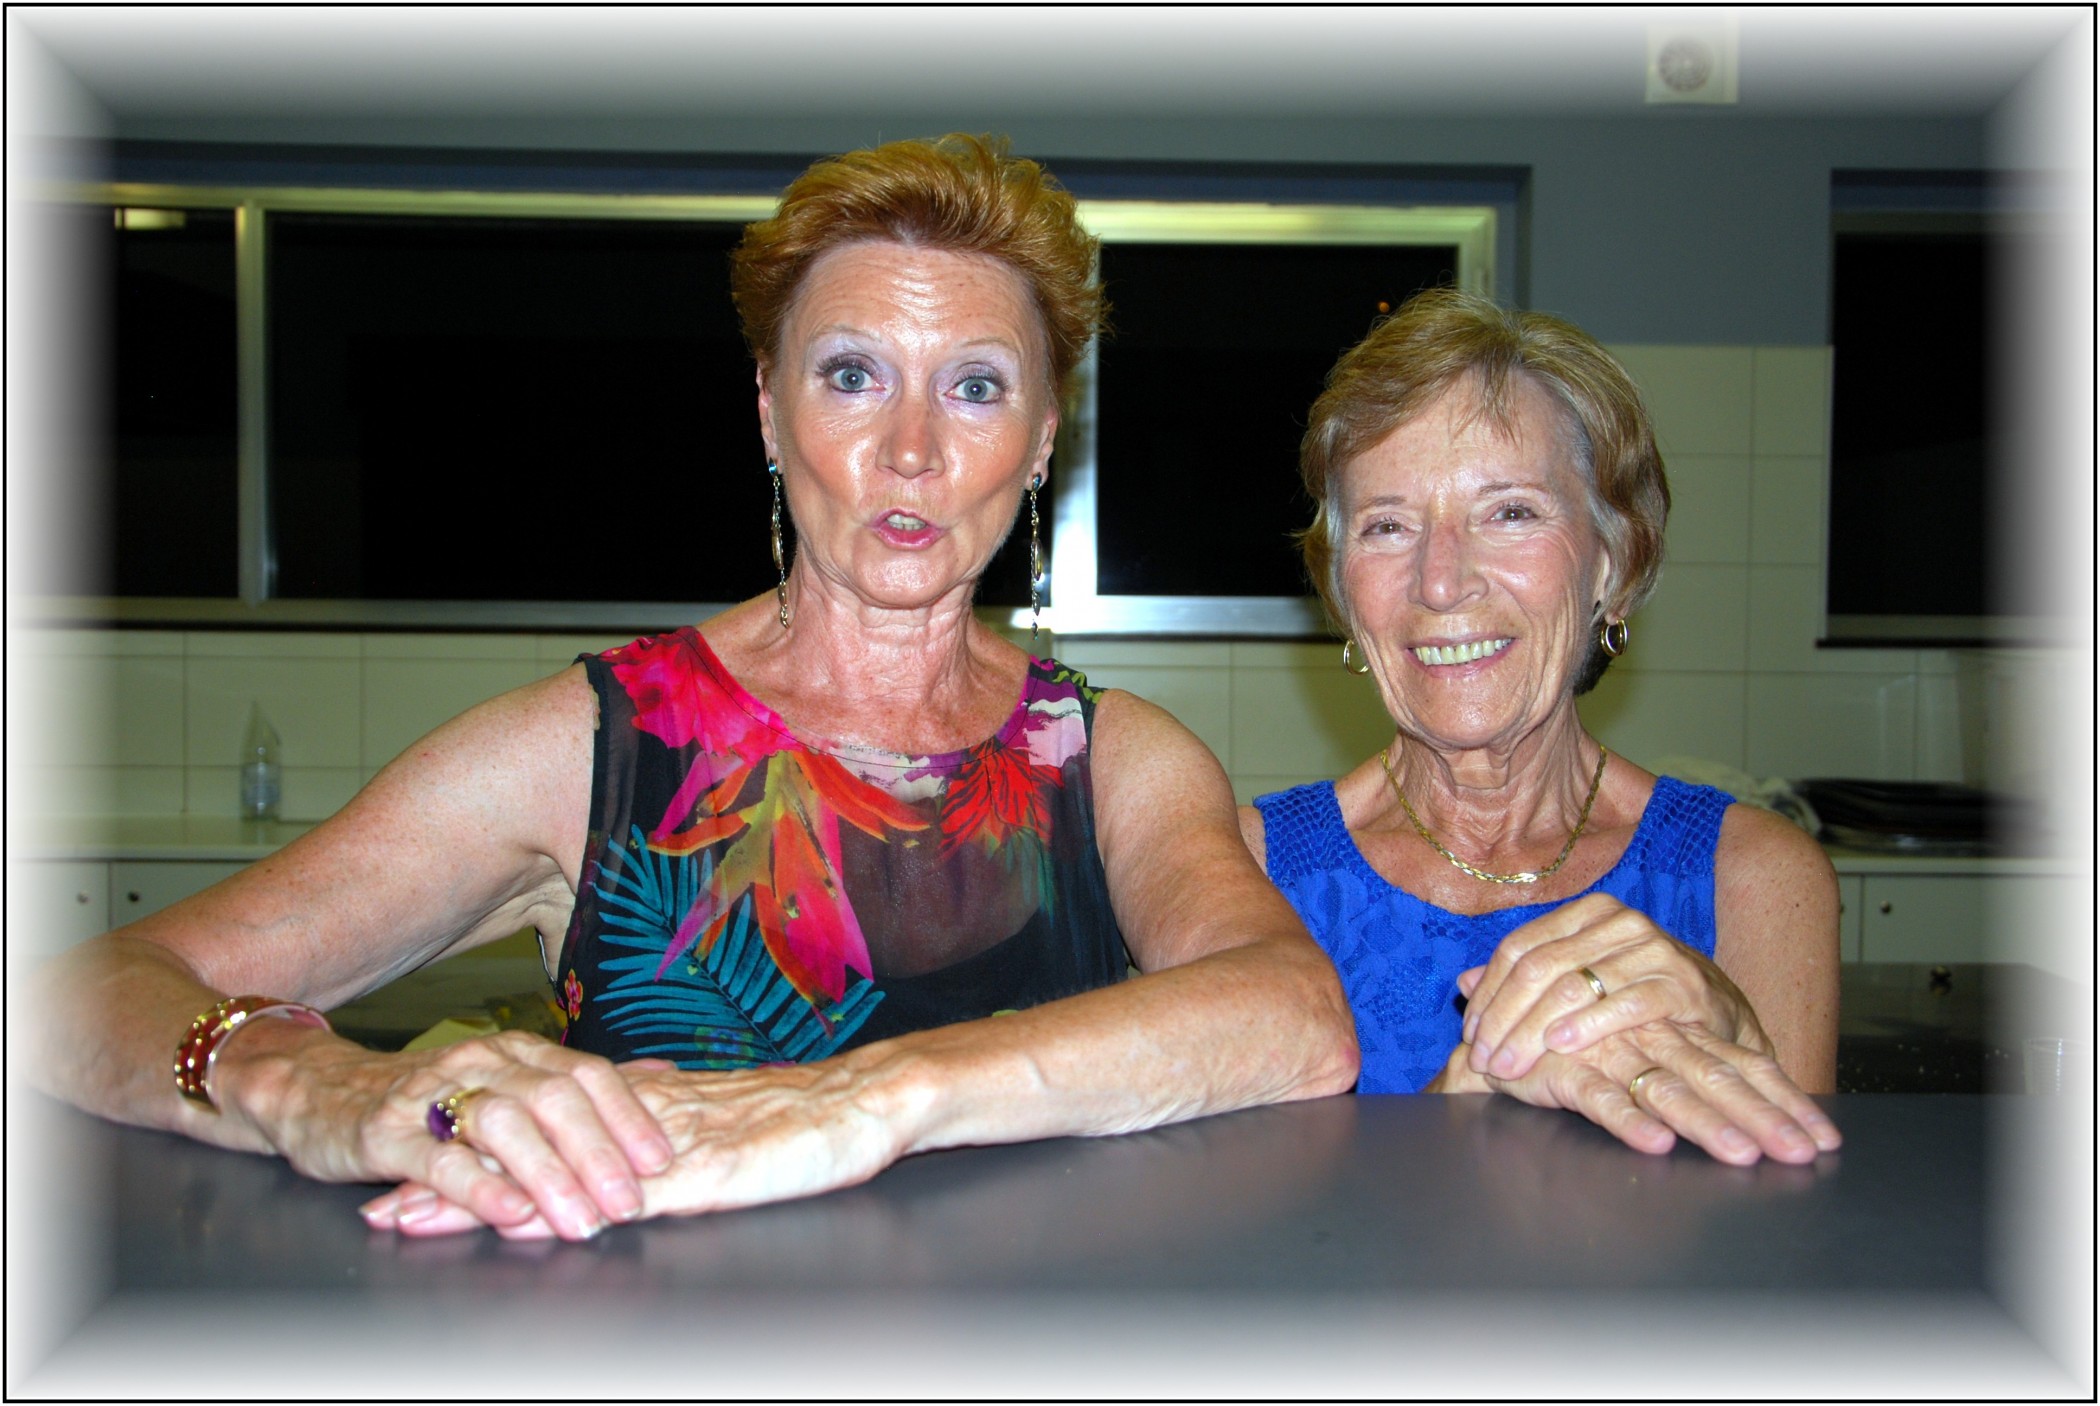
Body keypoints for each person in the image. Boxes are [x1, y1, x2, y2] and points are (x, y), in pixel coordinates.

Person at [29, 134, 1363, 1242]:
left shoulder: (1113, 757)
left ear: (1041, 440)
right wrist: (308, 1081)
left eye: (975, 387)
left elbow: (1295, 1016)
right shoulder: (588, 749)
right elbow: (79, 990)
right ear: (770, 412)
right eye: (853, 375)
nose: (911, 448)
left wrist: (857, 1101)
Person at [1242, 288, 1843, 1165]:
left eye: (1510, 512)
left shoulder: (1756, 880)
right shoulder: (1245, 873)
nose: (1440, 581)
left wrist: (1743, 1037)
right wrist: (1457, 1106)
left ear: (1613, 561)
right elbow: (1228, 1232)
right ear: (1342, 591)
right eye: (1388, 526)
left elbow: (1794, 1236)